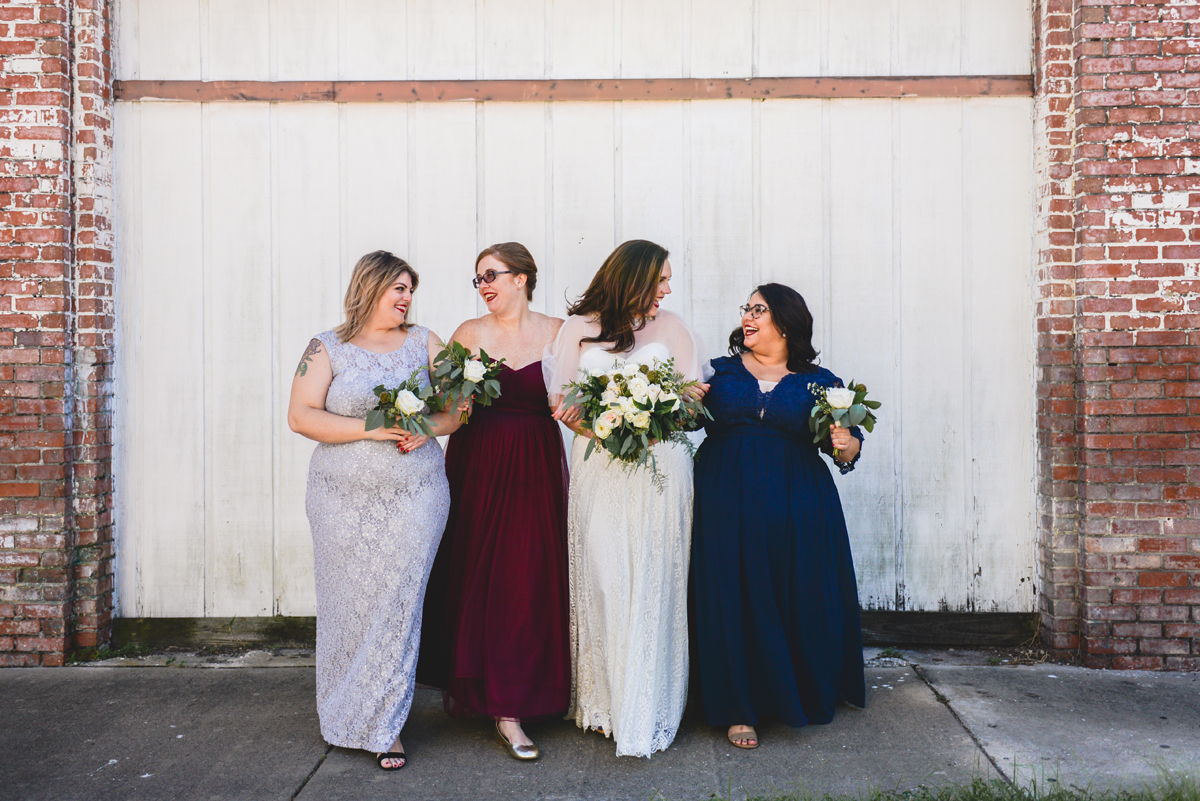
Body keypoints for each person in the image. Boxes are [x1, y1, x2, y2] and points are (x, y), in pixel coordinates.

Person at [287, 250, 461, 771]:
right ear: (370, 287)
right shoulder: (326, 347)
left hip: (416, 495)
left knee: (398, 604)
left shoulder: (427, 342)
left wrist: (425, 426)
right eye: (398, 288)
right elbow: (300, 416)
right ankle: (346, 714)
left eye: (411, 289)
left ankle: (386, 726)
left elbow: (458, 408)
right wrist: (371, 429)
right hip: (339, 500)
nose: (407, 298)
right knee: (349, 605)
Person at [544, 239, 708, 758]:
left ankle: (651, 703)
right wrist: (604, 429)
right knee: (607, 576)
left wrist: (657, 414)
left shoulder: (675, 327)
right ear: (632, 278)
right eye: (660, 279)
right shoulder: (579, 328)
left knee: (655, 578)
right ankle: (605, 700)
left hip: (663, 466)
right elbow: (562, 401)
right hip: (601, 468)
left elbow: (691, 404)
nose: (667, 289)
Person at [690, 283, 865, 751]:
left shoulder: (822, 381)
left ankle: (796, 691)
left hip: (799, 505)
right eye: (746, 309)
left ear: (785, 323)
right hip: (723, 501)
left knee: (793, 595)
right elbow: (684, 419)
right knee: (730, 597)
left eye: (759, 310)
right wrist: (680, 400)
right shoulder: (718, 372)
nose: (748, 316)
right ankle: (737, 708)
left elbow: (844, 444)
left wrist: (848, 445)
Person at [418, 243, 570, 761]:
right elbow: (448, 406)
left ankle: (523, 698)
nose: (483, 285)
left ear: (523, 277)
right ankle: (497, 703)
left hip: (536, 466)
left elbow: (570, 403)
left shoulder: (558, 332)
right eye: (478, 278)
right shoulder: (468, 334)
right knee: (482, 574)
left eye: (492, 275)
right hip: (478, 464)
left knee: (527, 577)